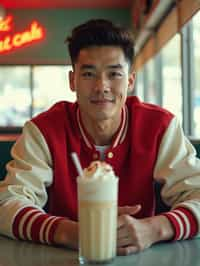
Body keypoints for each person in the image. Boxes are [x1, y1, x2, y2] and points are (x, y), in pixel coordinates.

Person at [0, 19, 200, 256]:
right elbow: (7, 205)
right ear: (72, 81)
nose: (101, 86)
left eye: (114, 73)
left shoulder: (159, 126)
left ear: (130, 80)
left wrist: (154, 229)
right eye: (88, 74)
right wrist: (72, 233)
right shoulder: (43, 130)